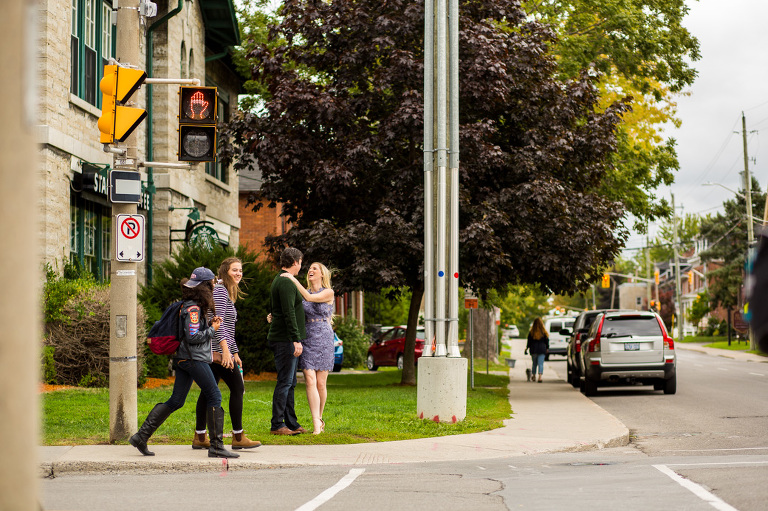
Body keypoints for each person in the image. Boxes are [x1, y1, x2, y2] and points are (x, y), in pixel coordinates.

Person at [129, 267, 239, 459]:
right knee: (214, 396)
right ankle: (216, 446)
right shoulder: (193, 309)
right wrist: (213, 329)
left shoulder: (191, 305)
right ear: (204, 286)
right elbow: (193, 336)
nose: (214, 286)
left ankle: (141, 436)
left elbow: (192, 331)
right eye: (212, 283)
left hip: (184, 358)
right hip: (192, 359)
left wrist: (210, 323)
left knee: (176, 400)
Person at [192, 257, 261, 450]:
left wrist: (235, 351)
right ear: (224, 272)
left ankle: (199, 436)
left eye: (240, 270)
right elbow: (218, 322)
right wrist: (225, 352)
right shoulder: (221, 291)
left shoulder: (225, 291)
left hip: (220, 350)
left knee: (208, 392)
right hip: (217, 351)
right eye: (234, 270)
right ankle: (238, 437)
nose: (238, 273)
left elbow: (229, 328)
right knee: (237, 388)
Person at [280, 262, 335, 434]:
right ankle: (316, 424)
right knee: (310, 380)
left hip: (325, 337)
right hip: (308, 338)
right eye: (309, 268)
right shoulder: (304, 292)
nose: (311, 270)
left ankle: (320, 418)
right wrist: (275, 316)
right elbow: (294, 311)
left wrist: (291, 278)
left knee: (321, 383)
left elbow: (310, 298)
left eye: (314, 269)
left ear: (322, 274)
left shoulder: (328, 292)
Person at [266, 247, 307, 435]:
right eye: (300, 262)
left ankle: (291, 422)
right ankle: (277, 424)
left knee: (291, 383)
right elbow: (289, 312)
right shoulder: (285, 282)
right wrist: (295, 339)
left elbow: (280, 310)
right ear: (296, 261)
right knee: (285, 382)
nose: (301, 266)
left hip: (285, 338)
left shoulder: (282, 280)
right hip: (285, 339)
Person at [525, 317, 549, 383]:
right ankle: (540, 377)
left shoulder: (531, 332)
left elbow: (529, 342)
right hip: (542, 349)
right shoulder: (544, 332)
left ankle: (533, 376)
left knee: (534, 364)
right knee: (541, 364)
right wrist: (547, 348)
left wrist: (527, 348)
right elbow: (547, 341)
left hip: (534, 349)